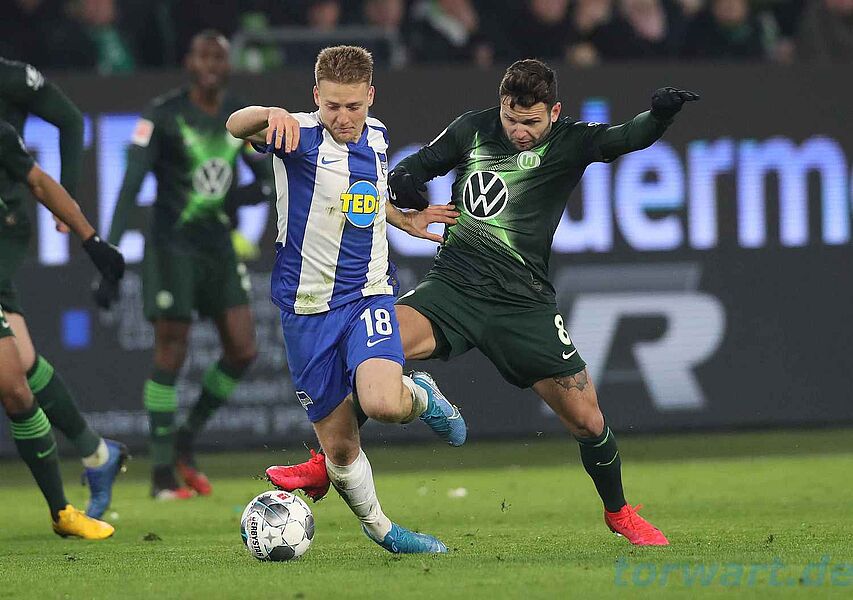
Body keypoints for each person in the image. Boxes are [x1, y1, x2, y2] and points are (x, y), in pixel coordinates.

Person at [270, 59, 700, 547]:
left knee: (588, 419)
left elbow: (628, 137)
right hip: (451, 287)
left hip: (523, 303)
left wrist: (659, 116)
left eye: (531, 122)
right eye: (511, 119)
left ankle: (619, 513)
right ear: (501, 107)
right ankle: (328, 459)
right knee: (369, 356)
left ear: (554, 112)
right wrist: (407, 183)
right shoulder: (473, 129)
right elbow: (415, 165)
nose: (519, 131)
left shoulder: (572, 141)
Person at [226, 45, 466, 554]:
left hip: (367, 296)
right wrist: (268, 113)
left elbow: (366, 195)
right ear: (316, 96)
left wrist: (404, 220)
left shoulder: (376, 135)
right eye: (332, 106)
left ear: (370, 97)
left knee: (381, 402)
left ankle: (421, 396)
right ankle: (383, 530)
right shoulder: (296, 134)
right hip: (305, 310)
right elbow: (234, 125)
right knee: (338, 449)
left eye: (353, 106)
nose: (343, 117)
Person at [101, 30, 274, 500]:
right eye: (204, 56)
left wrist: (251, 193)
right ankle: (161, 475)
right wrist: (108, 251)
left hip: (218, 249)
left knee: (243, 349)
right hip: (171, 249)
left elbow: (268, 178)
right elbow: (130, 185)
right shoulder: (163, 114)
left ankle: (184, 438)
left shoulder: (239, 117)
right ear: (189, 63)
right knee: (170, 352)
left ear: (228, 66)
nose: (212, 64)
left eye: (220, 57)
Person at [0, 56, 127, 519]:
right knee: (19, 363)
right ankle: (96, 453)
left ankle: (64, 505)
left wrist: (79, 222)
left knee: (11, 377)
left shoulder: (11, 82)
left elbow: (68, 126)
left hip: (5, 221)